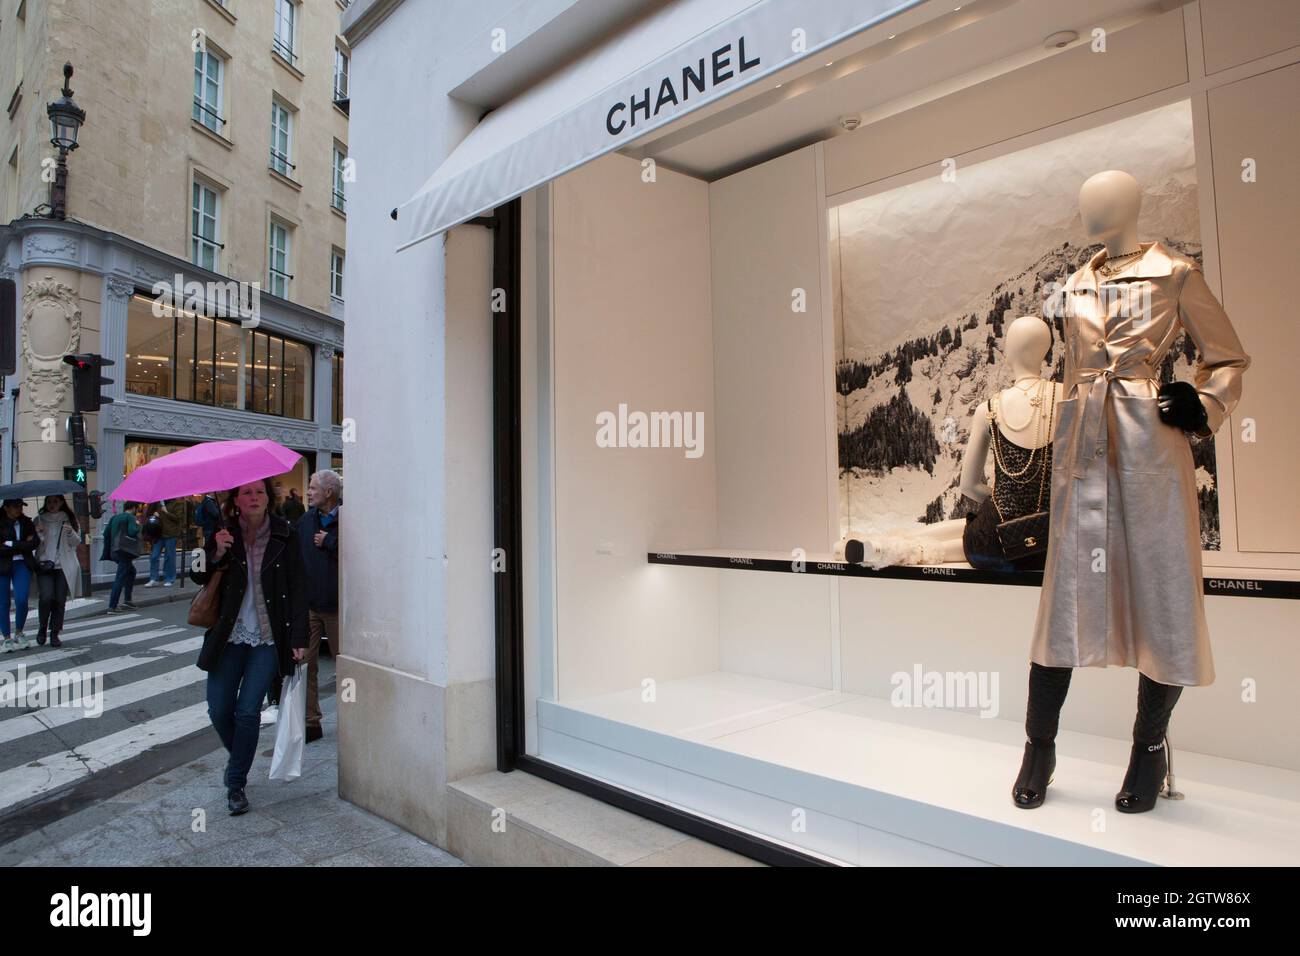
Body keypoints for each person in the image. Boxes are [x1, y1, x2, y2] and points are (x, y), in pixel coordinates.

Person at [192, 478, 308, 816]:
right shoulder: (222, 532)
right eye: (247, 492)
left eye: (259, 492)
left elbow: (299, 586)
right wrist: (216, 552)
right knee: (218, 708)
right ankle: (239, 758)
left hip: (268, 637)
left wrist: (299, 638)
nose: (254, 497)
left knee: (247, 712)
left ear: (268, 498)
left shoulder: (286, 533)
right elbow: (197, 575)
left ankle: (236, 783)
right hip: (228, 636)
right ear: (236, 501)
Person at [299, 469, 341, 743]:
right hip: (309, 606)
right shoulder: (305, 520)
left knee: (346, 667)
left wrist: (330, 542)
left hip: (339, 608)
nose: (309, 491)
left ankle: (353, 719)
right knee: (306, 665)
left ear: (328, 492)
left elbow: (363, 551)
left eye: (313, 488)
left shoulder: (349, 519)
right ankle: (310, 722)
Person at [34, 495, 81, 648]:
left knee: (60, 600)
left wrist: (69, 533)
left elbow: (76, 542)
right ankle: (42, 627)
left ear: (61, 502)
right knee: (46, 597)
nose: (52, 505)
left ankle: (55, 632)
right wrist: (39, 534)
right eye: (49, 502)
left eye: (55, 501)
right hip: (44, 564)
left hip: (63, 565)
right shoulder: (39, 520)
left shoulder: (69, 519)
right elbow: (34, 544)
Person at [0, 499, 39, 652]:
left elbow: (34, 543)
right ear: (6, 508)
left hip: (22, 564)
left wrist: (11, 544)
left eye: (21, 506)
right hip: (2, 566)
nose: (19, 509)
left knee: (22, 599)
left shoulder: (27, 523)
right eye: (15, 506)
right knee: (3, 603)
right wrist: (22, 545)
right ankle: (7, 638)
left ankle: (19, 632)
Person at [103, 503, 142, 614]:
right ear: (133, 508)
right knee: (120, 578)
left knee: (131, 571)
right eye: (136, 508)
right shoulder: (130, 517)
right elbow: (132, 531)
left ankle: (128, 600)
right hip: (124, 551)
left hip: (114, 550)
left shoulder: (114, 517)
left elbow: (106, 533)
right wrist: (138, 525)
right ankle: (112, 606)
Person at [144, 499, 183, 587]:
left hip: (171, 534)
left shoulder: (177, 503)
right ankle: (154, 579)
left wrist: (166, 512)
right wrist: (155, 514)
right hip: (159, 533)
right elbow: (149, 515)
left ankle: (169, 578)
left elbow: (178, 518)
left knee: (169, 557)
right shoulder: (158, 503)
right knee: (154, 556)